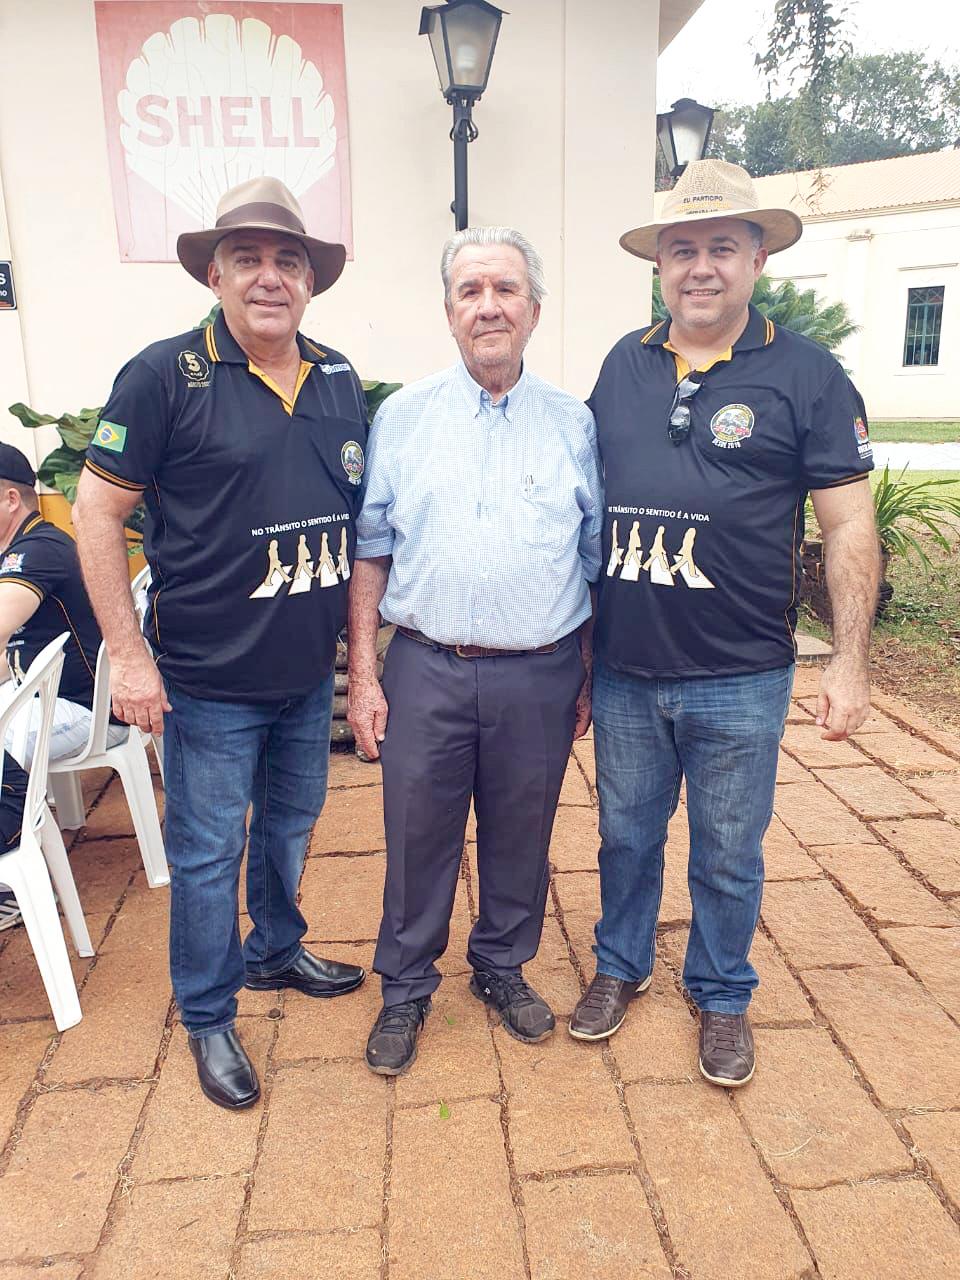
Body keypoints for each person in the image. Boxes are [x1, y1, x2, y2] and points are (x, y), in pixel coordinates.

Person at [572, 160, 880, 1087]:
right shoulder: (623, 362)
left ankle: (721, 992)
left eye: (719, 248)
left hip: (743, 672)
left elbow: (849, 523)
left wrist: (851, 662)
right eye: (681, 250)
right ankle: (621, 968)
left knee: (729, 848)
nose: (698, 267)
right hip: (626, 667)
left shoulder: (808, 375)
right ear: (659, 266)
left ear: (756, 259)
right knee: (625, 834)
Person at [73, 177, 368, 1110]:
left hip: (302, 673)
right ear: (214, 273)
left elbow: (360, 525)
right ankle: (207, 1013)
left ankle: (276, 953)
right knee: (207, 852)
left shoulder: (337, 376)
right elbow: (95, 514)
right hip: (207, 680)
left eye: (288, 260)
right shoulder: (163, 376)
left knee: (288, 825)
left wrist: (358, 663)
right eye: (248, 259)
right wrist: (129, 656)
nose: (270, 276)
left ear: (310, 280)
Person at [349, 226, 601, 1076]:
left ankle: (501, 966)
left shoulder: (575, 424)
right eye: (470, 291)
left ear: (535, 309)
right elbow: (372, 550)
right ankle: (406, 987)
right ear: (449, 311)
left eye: (505, 290)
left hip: (540, 668)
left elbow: (594, 555)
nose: (488, 305)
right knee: (416, 832)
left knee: (522, 831)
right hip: (425, 665)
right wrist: (364, 675)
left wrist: (588, 674)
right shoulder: (404, 417)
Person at [0, 445, 127, 931]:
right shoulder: (24, 546)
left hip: (83, 711)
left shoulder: (39, 550)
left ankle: (11, 888)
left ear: (12, 498)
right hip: (54, 700)